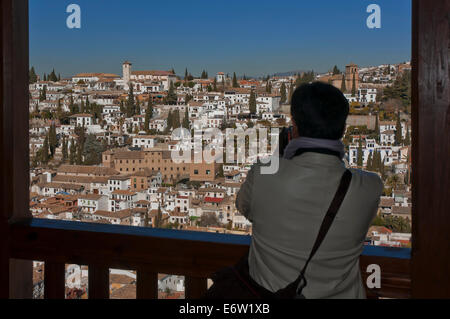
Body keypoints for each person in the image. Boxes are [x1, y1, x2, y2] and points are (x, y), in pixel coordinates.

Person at [236, 82, 383, 298]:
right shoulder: (370, 187)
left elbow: (245, 207)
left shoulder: (263, 174)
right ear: (343, 129)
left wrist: (281, 158)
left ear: (293, 125)